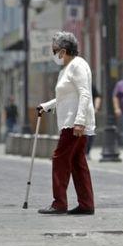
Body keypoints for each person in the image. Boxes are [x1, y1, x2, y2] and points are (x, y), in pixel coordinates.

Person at [36, 31, 96, 215]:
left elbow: (84, 93)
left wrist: (79, 122)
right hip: (70, 123)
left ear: (63, 51)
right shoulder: (66, 69)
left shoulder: (77, 65)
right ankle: (86, 204)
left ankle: (59, 203)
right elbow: (64, 97)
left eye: (55, 51)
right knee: (78, 163)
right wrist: (46, 106)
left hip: (74, 124)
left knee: (60, 159)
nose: (54, 55)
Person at [85, 84, 102, 160]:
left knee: (90, 133)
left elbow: (97, 96)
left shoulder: (90, 85)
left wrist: (96, 108)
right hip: (79, 113)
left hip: (90, 113)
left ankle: (87, 152)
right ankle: (83, 152)